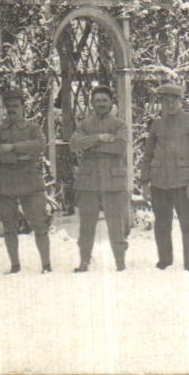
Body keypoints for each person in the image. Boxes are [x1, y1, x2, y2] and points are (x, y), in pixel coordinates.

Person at [142, 82, 189, 271]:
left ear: (180, 101)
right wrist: (145, 182)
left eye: (173, 101)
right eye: (166, 101)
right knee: (161, 224)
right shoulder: (157, 125)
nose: (170, 105)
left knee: (188, 224)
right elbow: (148, 155)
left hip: (184, 182)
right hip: (160, 182)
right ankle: (165, 261)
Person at [68, 83, 129, 272]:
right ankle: (84, 262)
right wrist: (99, 138)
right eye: (97, 101)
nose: (101, 104)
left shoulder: (119, 125)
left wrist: (90, 146)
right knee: (86, 225)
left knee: (115, 223)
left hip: (112, 181)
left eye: (104, 100)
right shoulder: (85, 124)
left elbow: (119, 147)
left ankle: (120, 262)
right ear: (92, 103)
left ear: (111, 102)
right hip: (89, 181)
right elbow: (73, 144)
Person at [0, 87, 51, 274]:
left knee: (39, 224)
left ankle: (46, 265)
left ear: (23, 107)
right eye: (8, 106)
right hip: (5, 182)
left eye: (16, 105)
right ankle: (15, 265)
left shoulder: (33, 128)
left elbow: (40, 145)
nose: (12, 109)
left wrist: (12, 148)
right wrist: (23, 155)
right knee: (9, 226)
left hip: (30, 182)